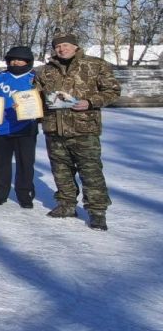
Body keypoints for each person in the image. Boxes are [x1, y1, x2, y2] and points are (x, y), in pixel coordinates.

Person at [35, 33, 120, 231]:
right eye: (58, 46)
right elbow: (36, 96)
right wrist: (26, 106)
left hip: (84, 128)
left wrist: (90, 102)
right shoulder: (45, 71)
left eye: (66, 45)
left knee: (90, 171)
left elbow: (113, 91)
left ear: (75, 46)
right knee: (61, 170)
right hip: (54, 128)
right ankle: (66, 204)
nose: (62, 49)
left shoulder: (95, 65)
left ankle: (97, 211)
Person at [0, 46, 38, 208]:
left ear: (28, 61)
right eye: (12, 59)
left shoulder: (35, 78)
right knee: (0, 163)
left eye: (20, 60)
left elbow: (44, 100)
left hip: (26, 127)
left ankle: (25, 194)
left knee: (25, 164)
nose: (16, 62)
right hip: (2, 127)